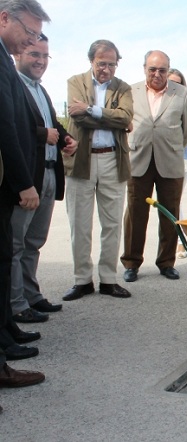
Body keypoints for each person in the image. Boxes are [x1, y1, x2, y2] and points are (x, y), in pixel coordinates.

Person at [0, 0, 51, 404]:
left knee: (8, 256)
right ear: (5, 19)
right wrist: (22, 182)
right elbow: (7, 126)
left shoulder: (5, 59)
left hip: (19, 176)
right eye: (30, 33)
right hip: (10, 179)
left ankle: (6, 334)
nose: (32, 41)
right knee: (5, 256)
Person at [10, 34, 78, 323]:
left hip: (49, 173)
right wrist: (43, 135)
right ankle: (15, 304)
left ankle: (30, 295)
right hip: (27, 176)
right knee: (15, 244)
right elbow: (11, 128)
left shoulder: (40, 89)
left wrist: (64, 137)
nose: (39, 61)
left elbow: (50, 122)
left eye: (44, 56)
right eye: (33, 54)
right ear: (17, 55)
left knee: (34, 241)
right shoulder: (11, 86)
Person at [62, 40, 133, 301]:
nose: (106, 69)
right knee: (79, 223)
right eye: (101, 63)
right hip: (82, 160)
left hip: (113, 160)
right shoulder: (75, 82)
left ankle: (108, 280)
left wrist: (92, 109)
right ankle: (82, 280)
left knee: (112, 223)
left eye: (111, 64)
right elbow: (76, 115)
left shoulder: (123, 87)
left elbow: (126, 117)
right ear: (91, 61)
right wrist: (110, 117)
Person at [121, 50, 187, 282]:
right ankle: (131, 263)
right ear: (144, 68)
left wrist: (169, 146)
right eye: (152, 69)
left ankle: (166, 262)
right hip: (138, 160)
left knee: (169, 213)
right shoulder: (129, 92)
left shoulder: (182, 93)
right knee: (135, 214)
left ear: (168, 69)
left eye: (162, 70)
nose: (157, 74)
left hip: (170, 161)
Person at [167, 68, 187, 260]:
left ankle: (180, 243)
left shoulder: (184, 99)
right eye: (171, 82)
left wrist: (174, 149)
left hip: (180, 157)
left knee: (174, 201)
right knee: (169, 202)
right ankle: (174, 243)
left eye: (178, 82)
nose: (174, 85)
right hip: (160, 158)